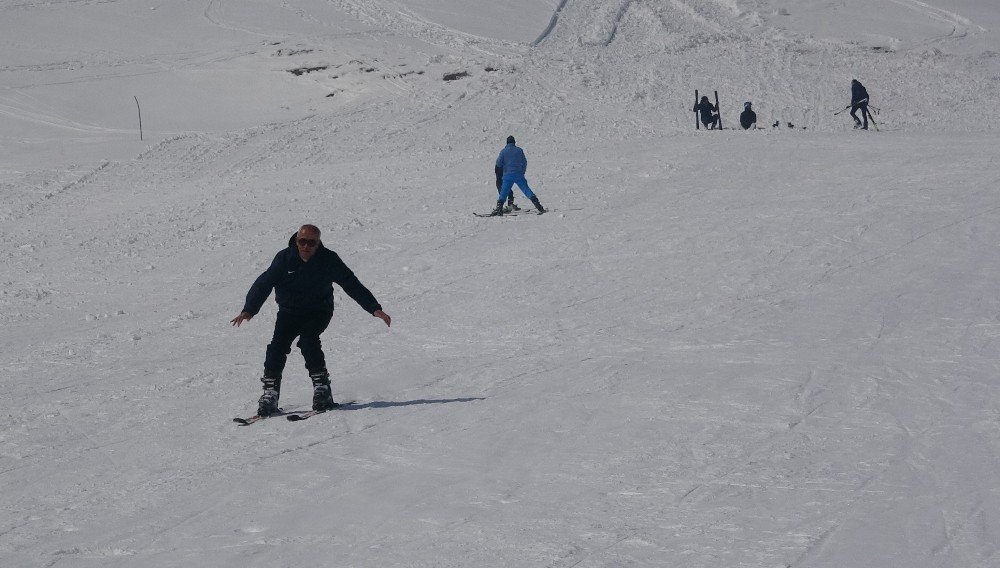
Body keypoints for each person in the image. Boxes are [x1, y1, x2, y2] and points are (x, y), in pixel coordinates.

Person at [231, 224, 391, 416]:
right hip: (289, 311)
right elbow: (263, 283)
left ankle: (322, 390)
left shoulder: (329, 260)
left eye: (311, 242)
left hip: (319, 311)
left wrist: (374, 308)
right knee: (277, 346)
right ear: (296, 241)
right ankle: (270, 394)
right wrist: (249, 309)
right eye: (302, 241)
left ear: (318, 244)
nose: (306, 246)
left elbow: (351, 283)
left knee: (308, 341)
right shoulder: (284, 259)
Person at [490, 135, 545, 216]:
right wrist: (522, 172)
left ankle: (499, 209)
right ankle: (538, 206)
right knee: (526, 190)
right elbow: (524, 162)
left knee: (504, 192)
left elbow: (498, 163)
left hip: (507, 176)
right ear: (514, 142)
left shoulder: (503, 151)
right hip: (519, 175)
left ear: (507, 142)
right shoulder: (519, 150)